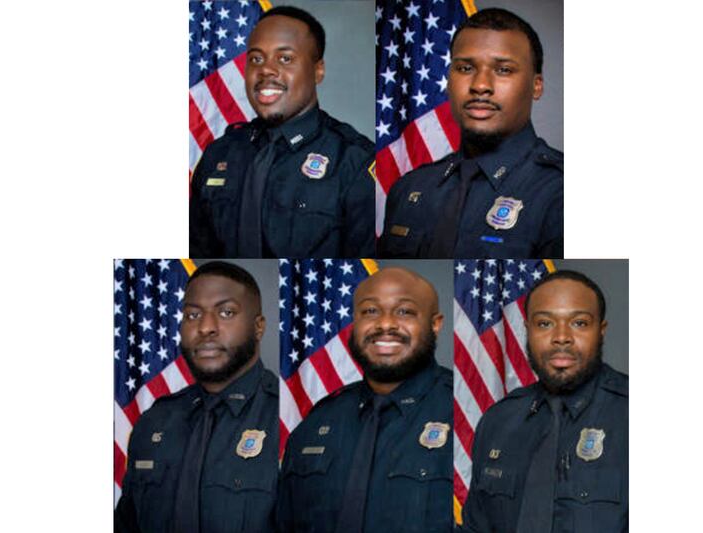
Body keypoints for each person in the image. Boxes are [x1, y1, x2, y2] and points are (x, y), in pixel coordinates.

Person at [277, 267, 453, 533]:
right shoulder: (317, 422)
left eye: (404, 311)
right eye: (370, 311)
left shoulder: (464, 413)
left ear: (435, 324)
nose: (385, 324)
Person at [190, 6, 374, 258]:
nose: (266, 69)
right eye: (256, 59)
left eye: (285, 58)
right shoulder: (218, 154)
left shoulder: (353, 160)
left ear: (318, 70)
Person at [378, 8, 562, 258]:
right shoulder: (408, 188)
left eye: (503, 70)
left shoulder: (562, 192)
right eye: (465, 68)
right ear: (448, 79)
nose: (480, 85)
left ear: (536, 86)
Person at [115, 262, 279, 533]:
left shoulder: (287, 419)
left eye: (226, 312)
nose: (205, 327)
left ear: (259, 327)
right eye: (192, 315)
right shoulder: (154, 422)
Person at [461, 270, 628, 533]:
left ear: (601, 330)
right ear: (527, 330)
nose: (561, 337)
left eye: (580, 323)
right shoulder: (497, 421)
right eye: (545, 323)